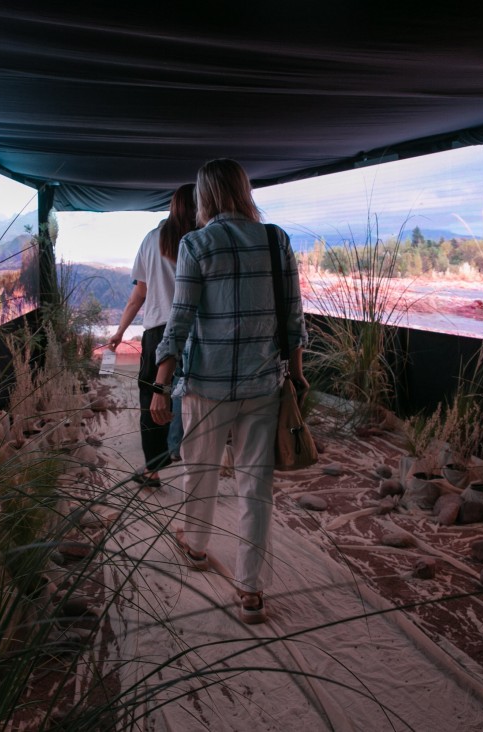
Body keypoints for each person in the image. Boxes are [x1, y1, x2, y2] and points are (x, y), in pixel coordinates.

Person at [150, 159, 307, 624]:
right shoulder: (277, 240)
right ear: (244, 190)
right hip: (264, 385)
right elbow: (294, 320)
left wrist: (160, 384)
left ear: (205, 196)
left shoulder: (197, 244)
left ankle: (196, 547)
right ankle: (251, 590)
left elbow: (179, 321)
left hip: (206, 384)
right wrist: (296, 376)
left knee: (200, 470)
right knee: (255, 488)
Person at [107, 184, 196, 486]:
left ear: (172, 206)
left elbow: (139, 294)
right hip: (198, 331)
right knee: (196, 396)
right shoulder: (202, 239)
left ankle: (152, 470)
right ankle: (194, 465)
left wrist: (120, 331)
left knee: (153, 398)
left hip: (159, 331)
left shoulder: (151, 239)